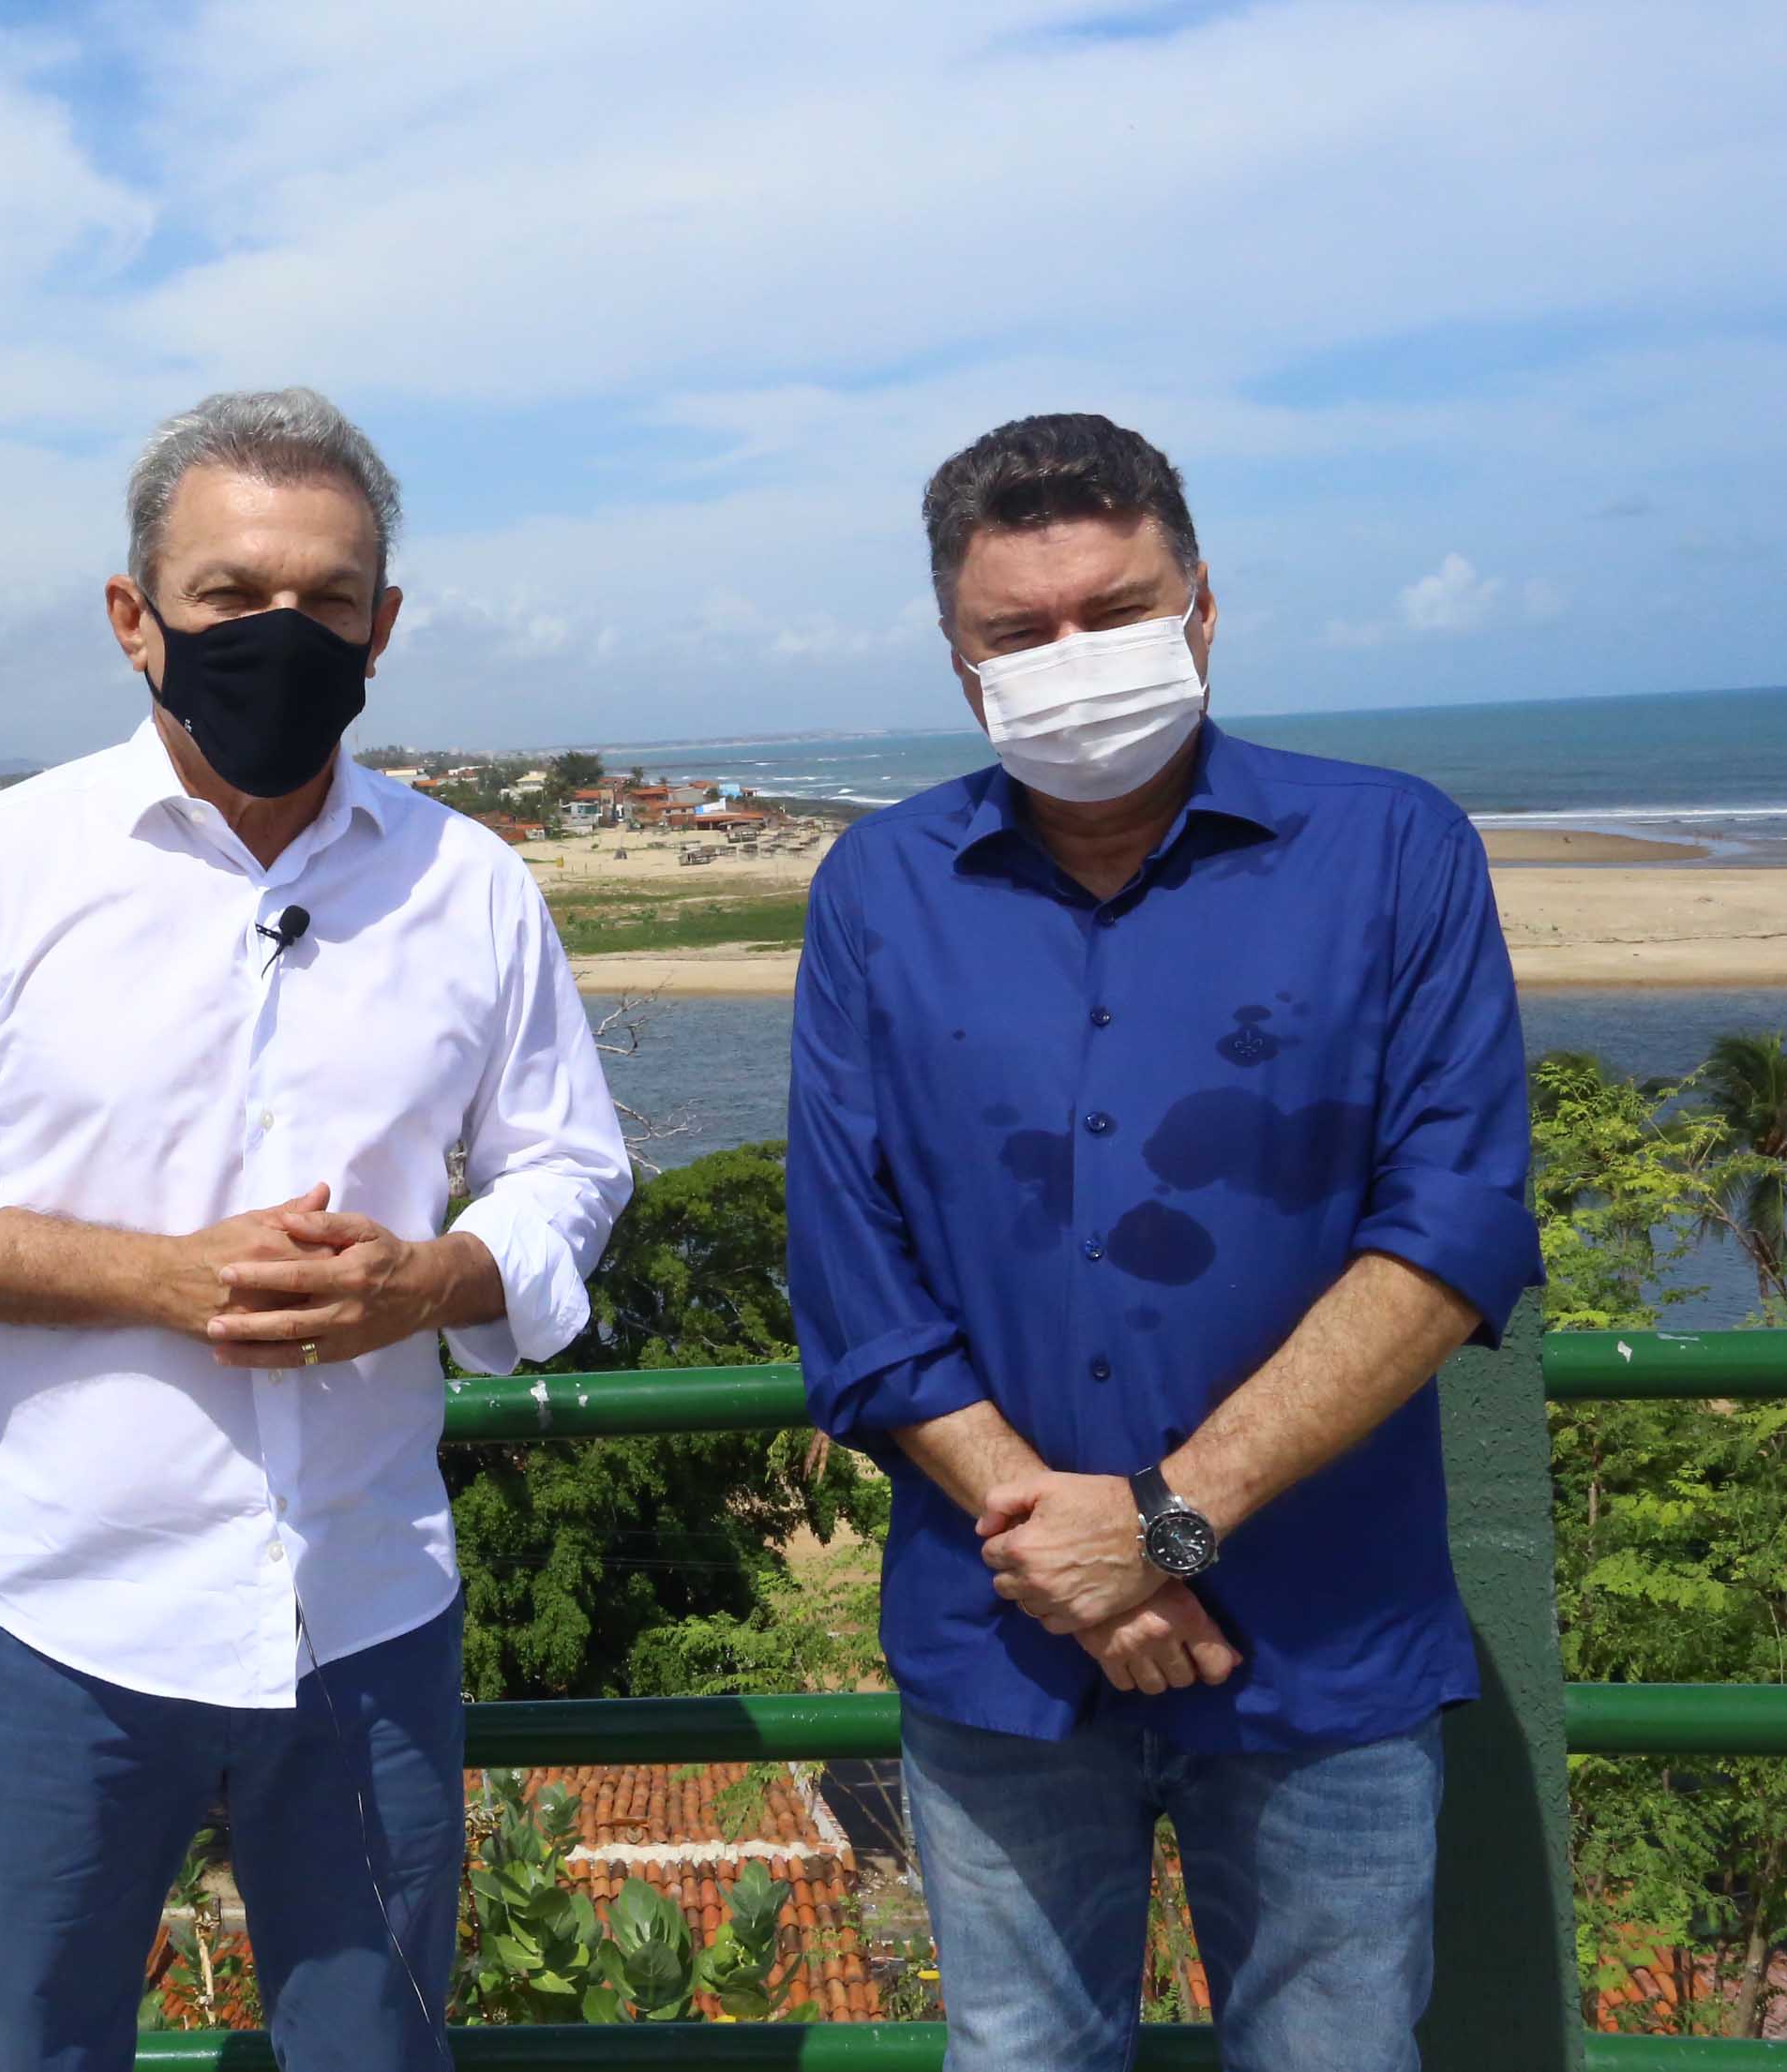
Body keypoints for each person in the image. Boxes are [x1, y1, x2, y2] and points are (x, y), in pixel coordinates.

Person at [0, 386, 632, 2069]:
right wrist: (160, 1279)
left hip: (368, 1604)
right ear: (136, 619)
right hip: (68, 1614)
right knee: (36, 2049)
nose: (283, 632)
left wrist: (436, 1279)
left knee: (377, 2051)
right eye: (231, 596)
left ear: (384, 627)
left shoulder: (472, 882)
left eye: (328, 601)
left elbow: (570, 1171)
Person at [788, 413, 1543, 2070]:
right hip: (1001, 1651)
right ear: (957, 657)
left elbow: (1455, 1230)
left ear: (1201, 603)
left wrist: (1165, 1523)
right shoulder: (875, 890)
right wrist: (1082, 1564)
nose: (1073, 656)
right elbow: (855, 1275)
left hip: (1326, 1650)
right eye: (1019, 633)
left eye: (1114, 612)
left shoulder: (1394, 851)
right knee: (1018, 2056)